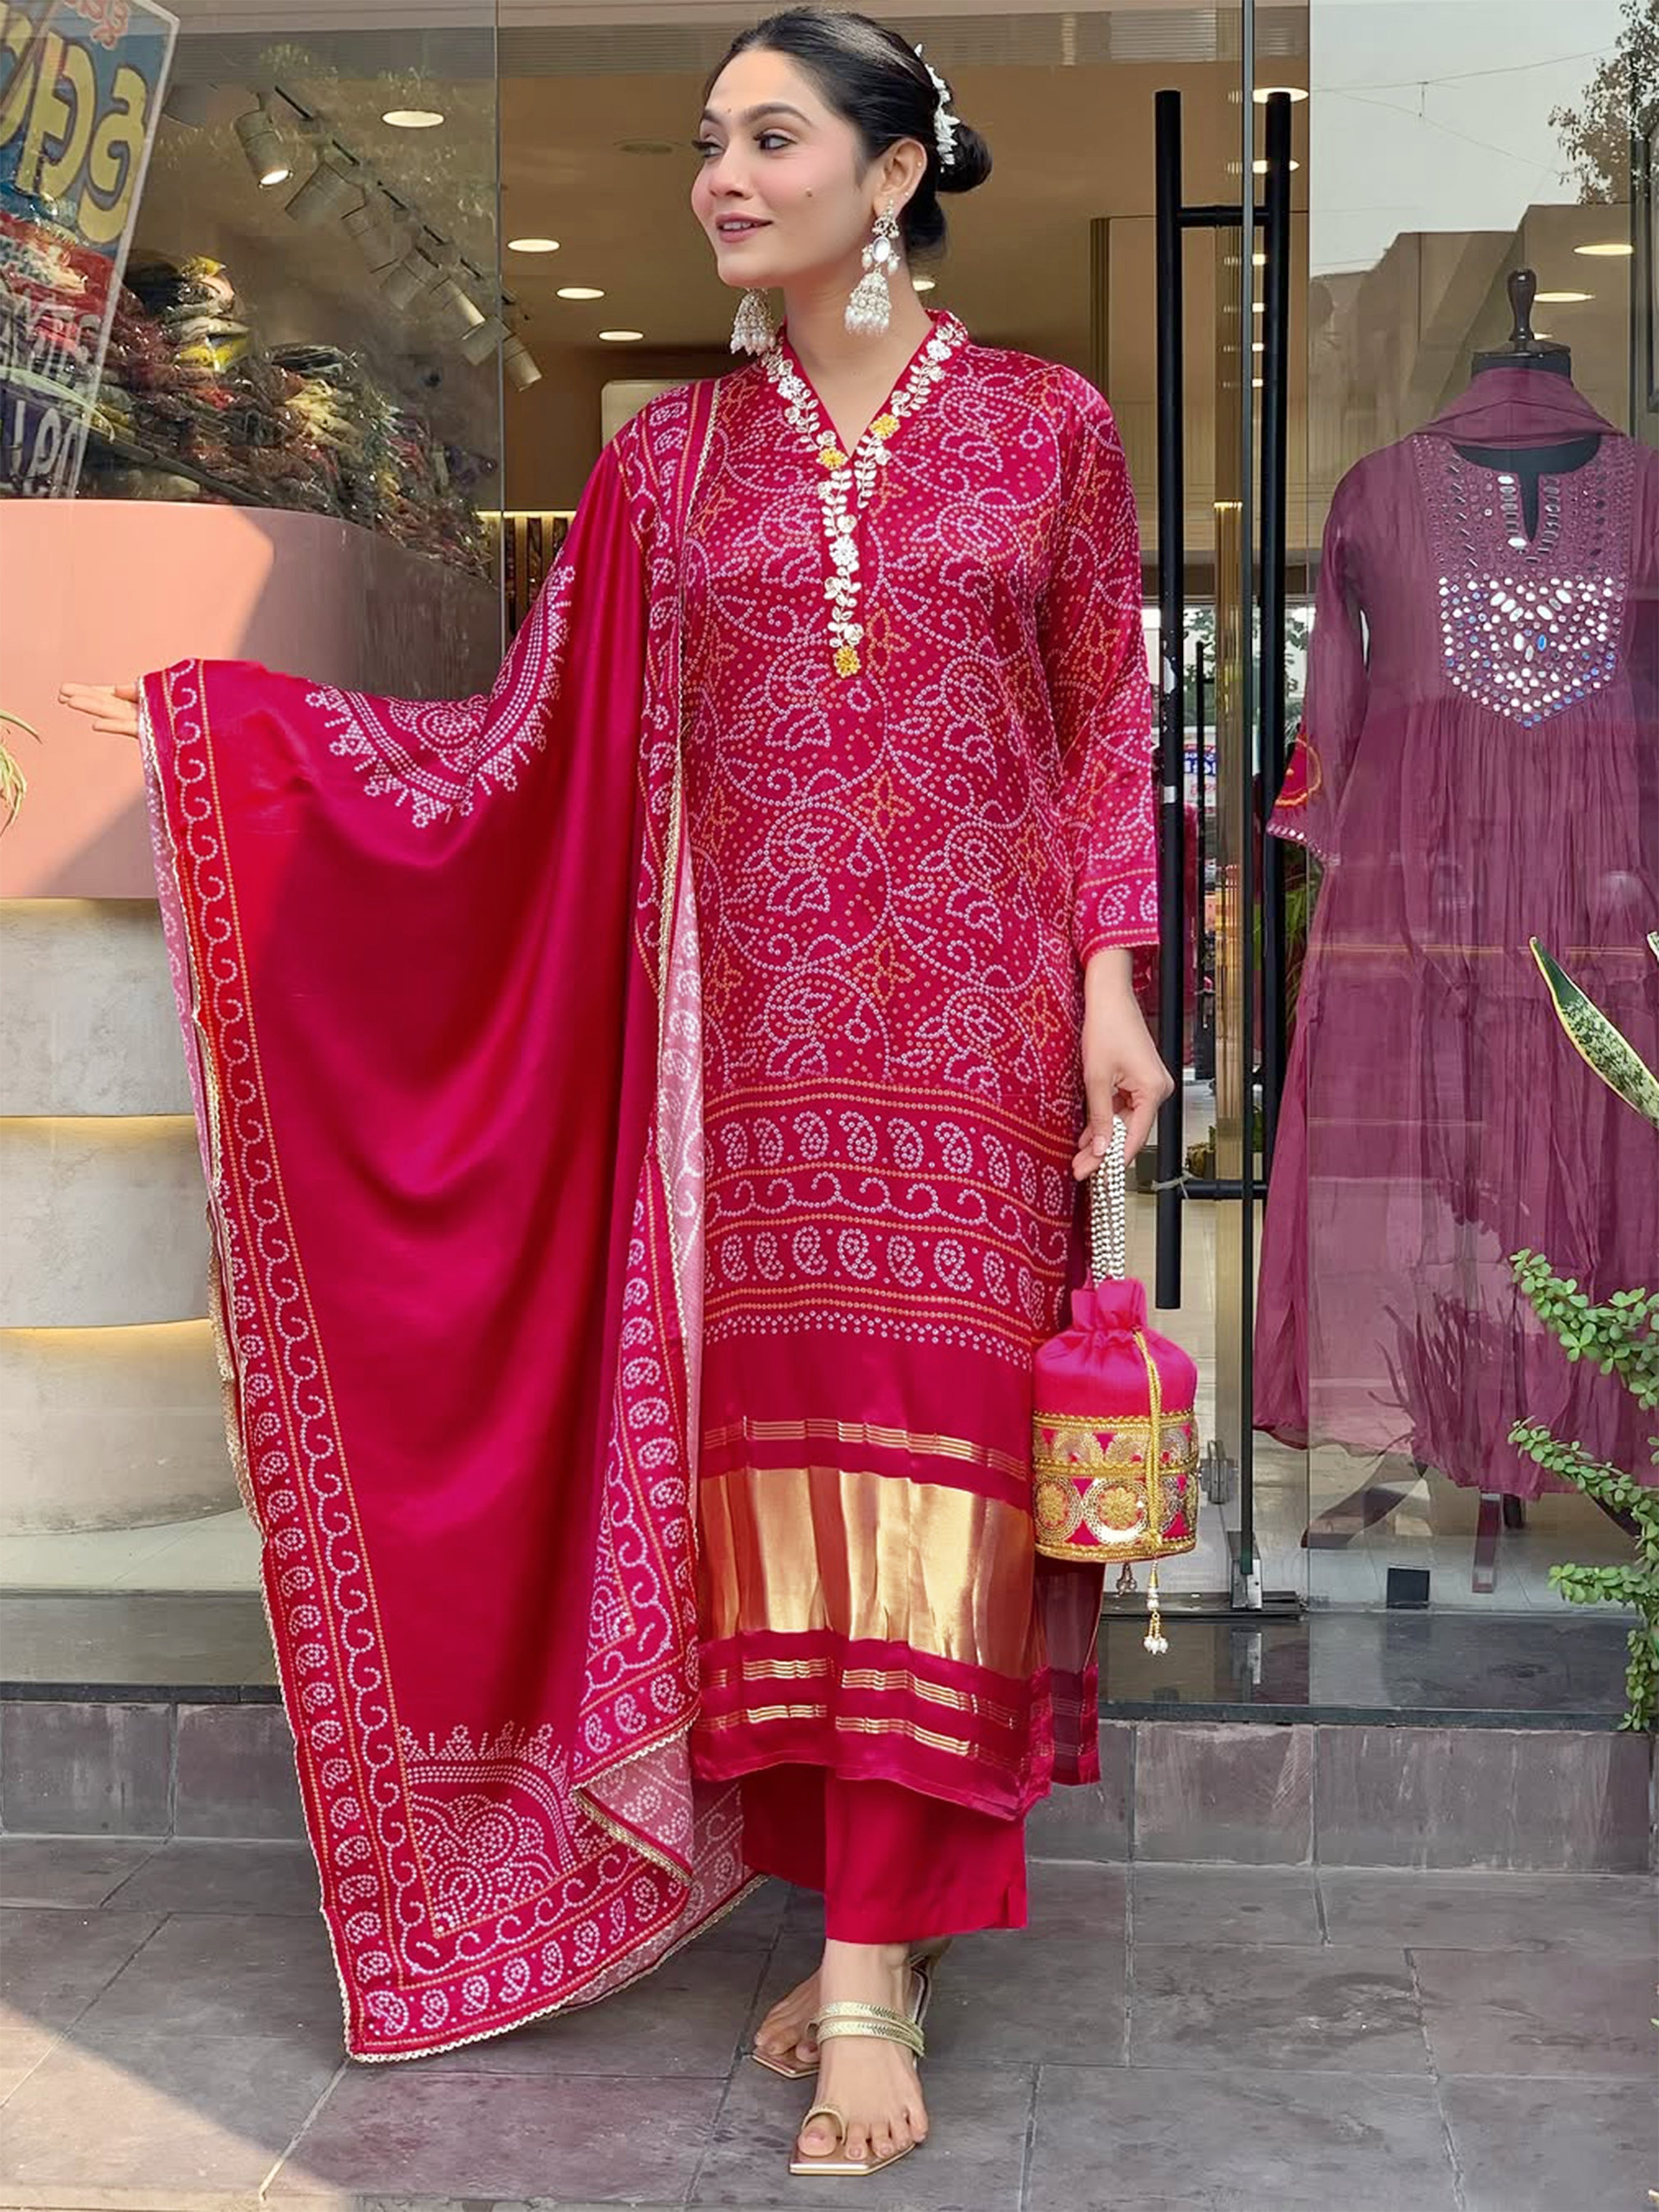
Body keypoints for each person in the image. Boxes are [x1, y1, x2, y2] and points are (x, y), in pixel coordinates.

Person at [63, 7, 1168, 2180]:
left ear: (893, 172)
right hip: (738, 1074)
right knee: (788, 1504)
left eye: (771, 139)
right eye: (705, 142)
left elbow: (1102, 718)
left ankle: (873, 1961)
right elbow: (521, 751)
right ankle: (862, 1928)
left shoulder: (1046, 428)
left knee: (936, 1497)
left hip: (968, 1052)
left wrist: (1110, 987)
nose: (720, 178)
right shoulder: (668, 467)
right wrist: (233, 741)